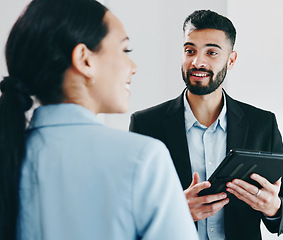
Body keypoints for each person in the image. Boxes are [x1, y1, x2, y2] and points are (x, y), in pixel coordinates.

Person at [0, 0, 198, 239]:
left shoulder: (10, 153)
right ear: (85, 60)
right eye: (125, 50)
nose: (133, 67)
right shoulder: (142, 158)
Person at [129, 9, 283, 240]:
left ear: (231, 60)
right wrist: (174, 211)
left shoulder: (262, 124)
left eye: (211, 52)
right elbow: (129, 211)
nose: (197, 62)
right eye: (190, 51)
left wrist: (273, 207)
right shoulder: (145, 124)